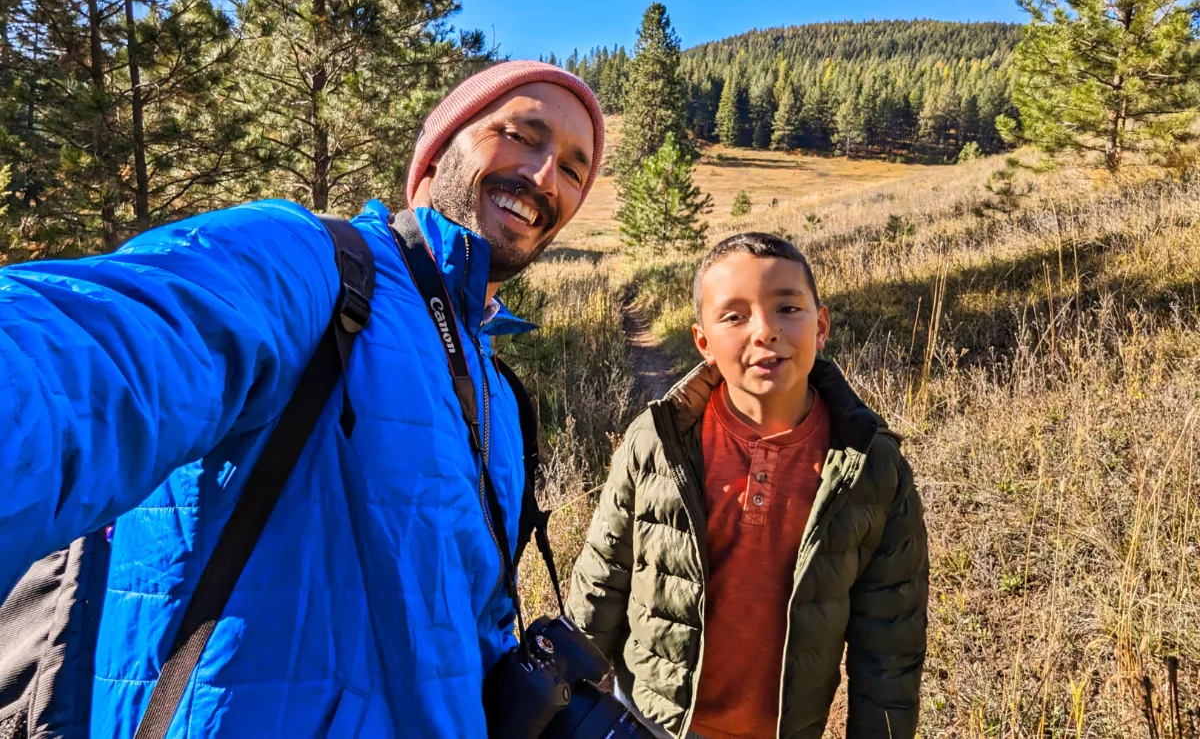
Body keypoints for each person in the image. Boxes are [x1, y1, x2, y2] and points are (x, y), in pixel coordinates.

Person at [0, 61, 604, 738]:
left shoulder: (495, 385)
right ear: (437, 152)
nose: (547, 175)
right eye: (522, 134)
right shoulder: (317, 265)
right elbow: (96, 351)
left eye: (575, 169)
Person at [567, 232, 929, 739]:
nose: (765, 331)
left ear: (820, 325)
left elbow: (890, 647)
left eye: (787, 308)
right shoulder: (657, 443)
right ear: (703, 342)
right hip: (651, 723)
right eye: (734, 316)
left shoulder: (870, 465)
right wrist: (562, 700)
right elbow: (600, 584)